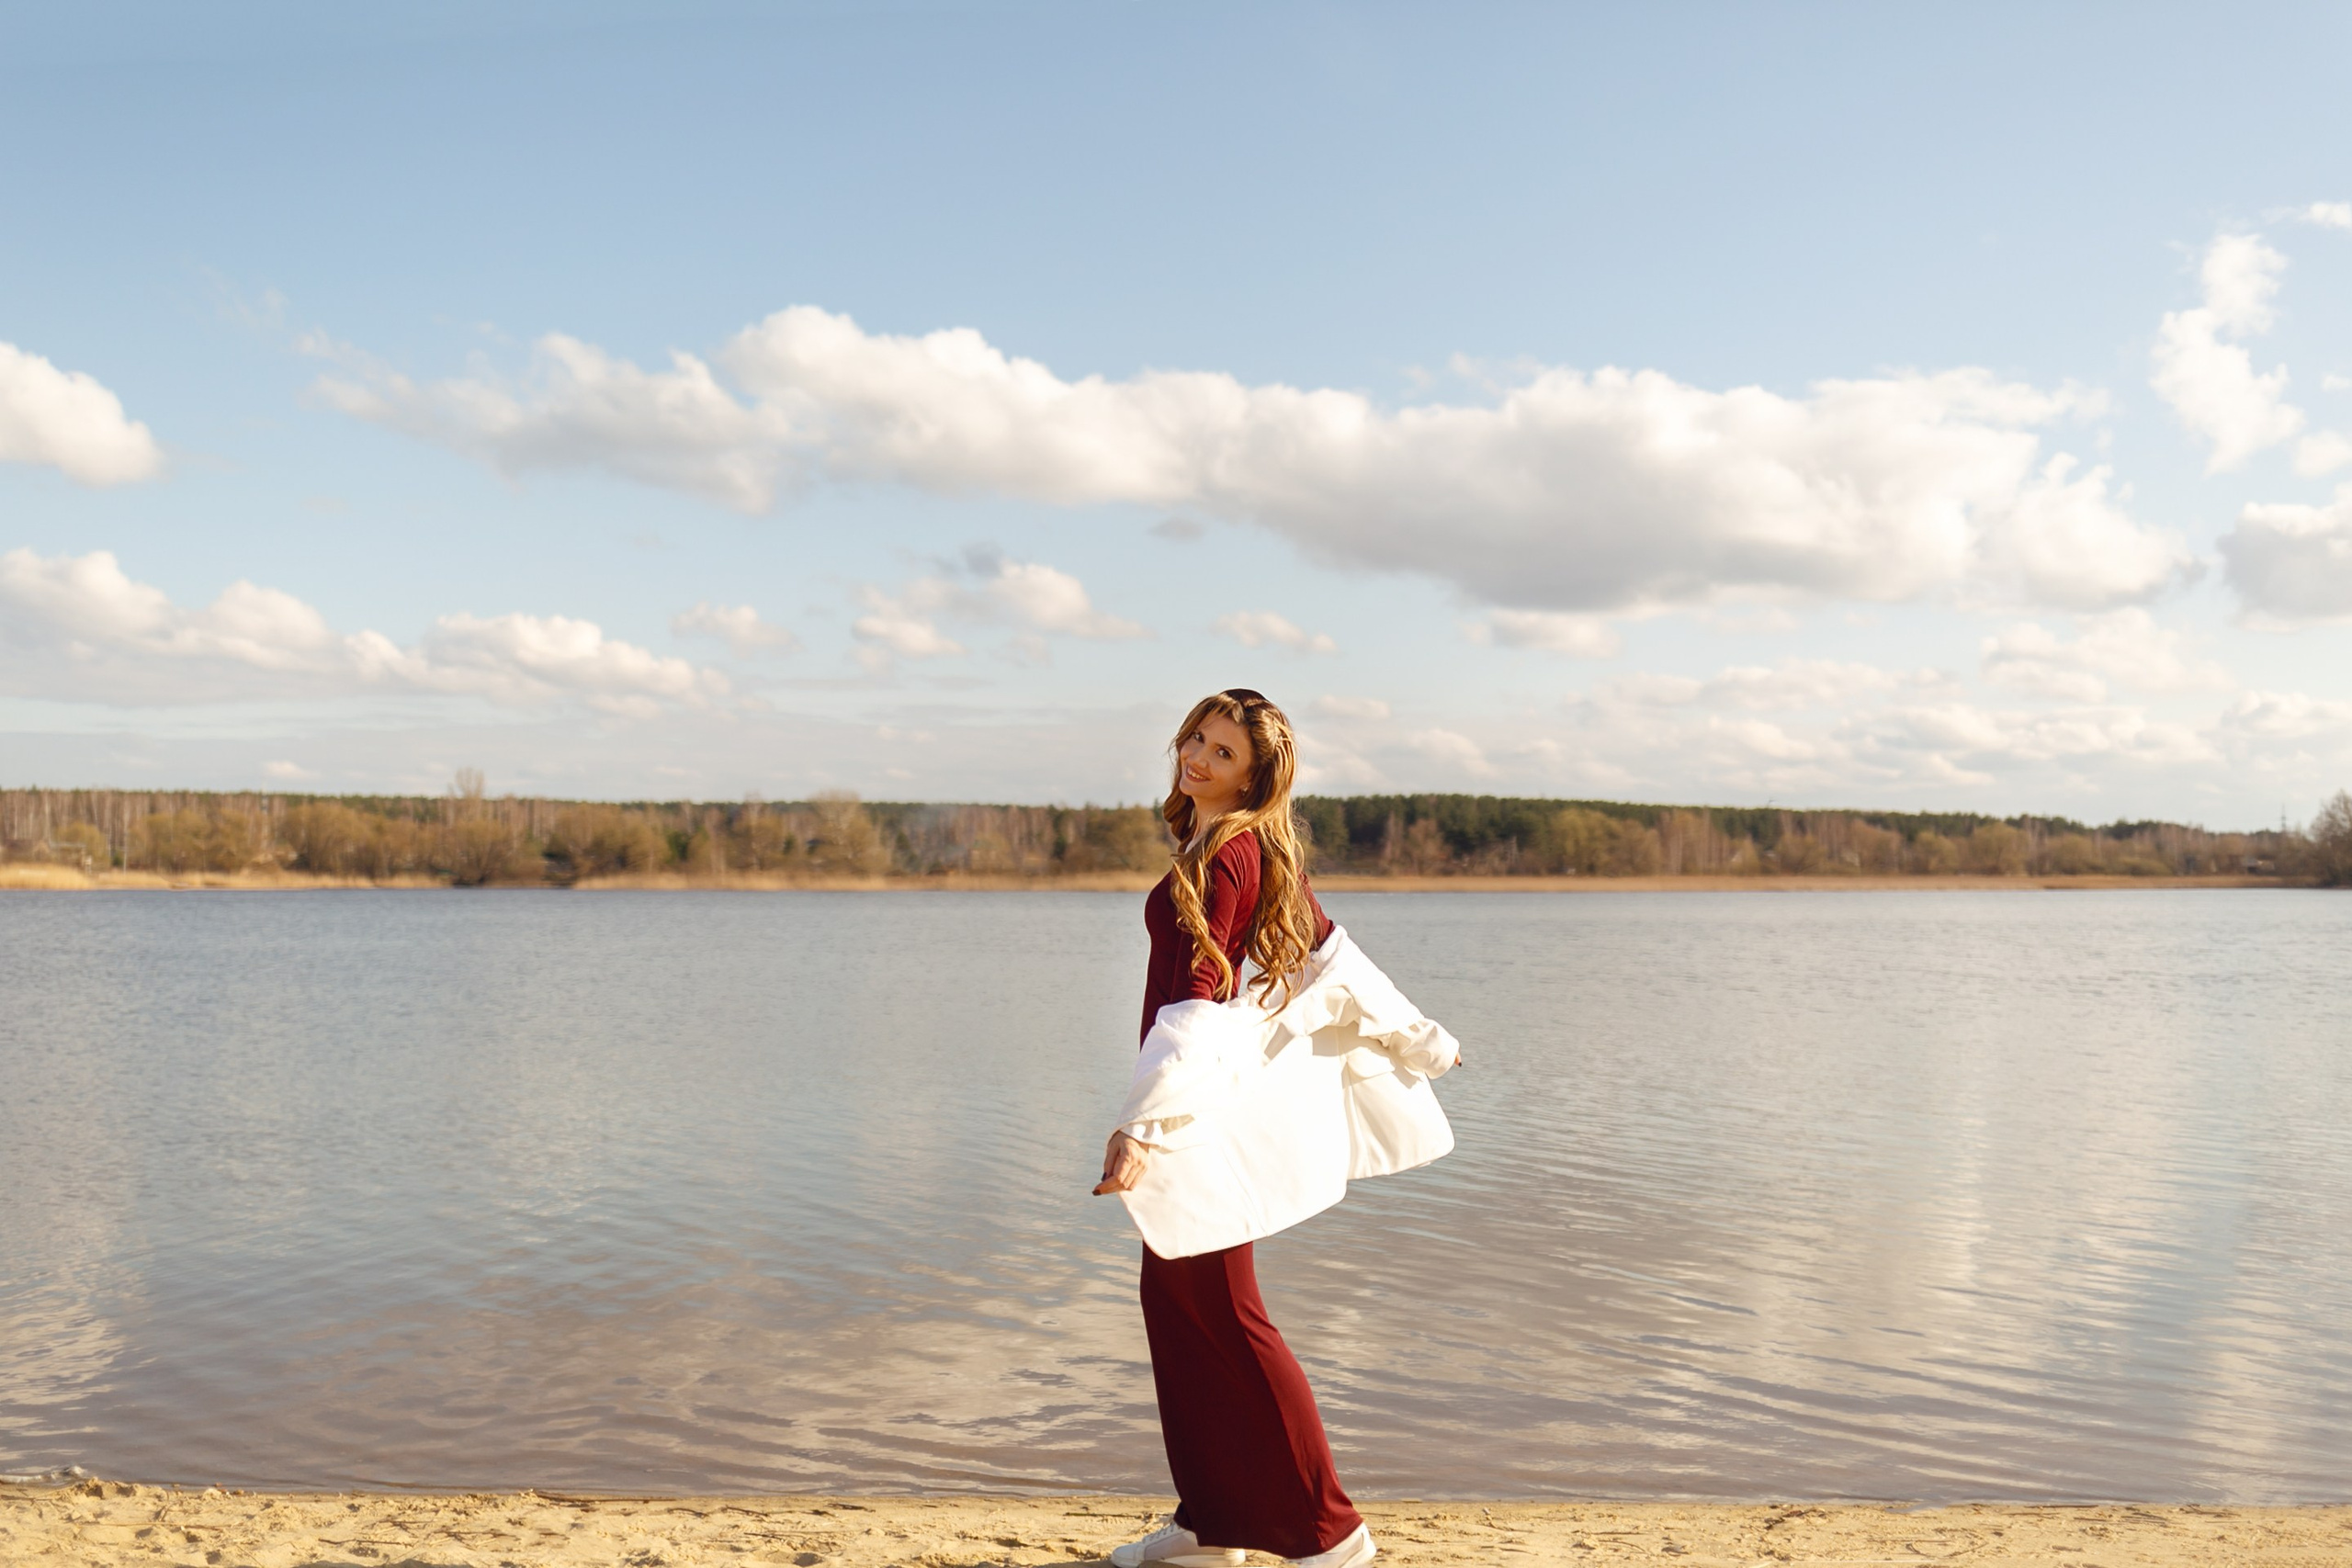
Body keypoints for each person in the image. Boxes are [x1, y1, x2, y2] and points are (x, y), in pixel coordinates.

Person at [1093, 688, 1382, 1568]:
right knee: (1181, 1308)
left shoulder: (1228, 853)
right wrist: (1416, 1032)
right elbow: (1331, 950)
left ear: (1255, 777)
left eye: (1223, 753)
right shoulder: (1241, 845)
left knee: (1226, 1312)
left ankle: (1330, 1529)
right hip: (1197, 1097)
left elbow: (1199, 999)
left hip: (1192, 1108)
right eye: (1197, 738)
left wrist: (1143, 1123)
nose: (1198, 758)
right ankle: (1213, 1523)